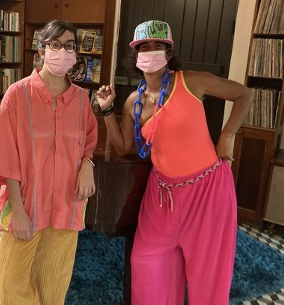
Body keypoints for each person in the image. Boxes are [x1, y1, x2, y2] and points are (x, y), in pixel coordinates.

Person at [96, 20, 254, 305]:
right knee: (145, 261)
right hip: (161, 195)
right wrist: (107, 109)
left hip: (207, 190)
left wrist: (227, 135)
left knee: (207, 273)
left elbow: (245, 94)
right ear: (136, 55)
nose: (152, 51)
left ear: (169, 53)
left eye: (159, 46)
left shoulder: (192, 81)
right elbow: (122, 147)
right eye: (145, 47)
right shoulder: (134, 100)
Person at [0, 19, 98, 304]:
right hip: (26, 203)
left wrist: (88, 164)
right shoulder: (18, 94)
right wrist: (20, 212)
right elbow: (6, 155)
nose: (62, 51)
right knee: (10, 282)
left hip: (66, 204)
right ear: (41, 51)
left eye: (69, 46)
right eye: (55, 45)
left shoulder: (83, 99)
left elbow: (87, 141)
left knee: (54, 282)